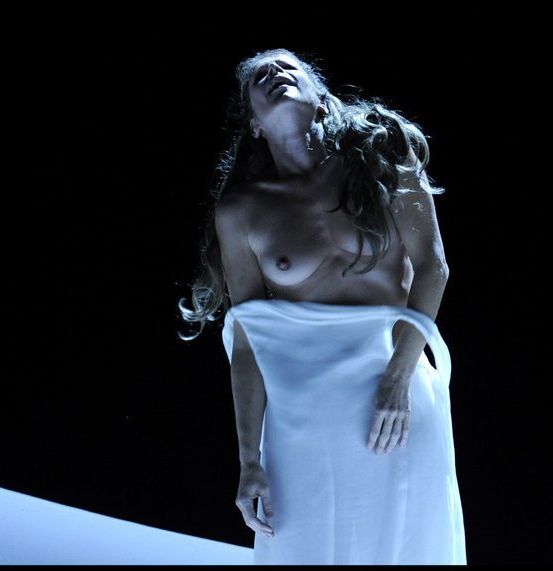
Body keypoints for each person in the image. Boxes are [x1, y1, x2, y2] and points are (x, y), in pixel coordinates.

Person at [178, 49, 467, 565]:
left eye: (289, 67)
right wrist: (249, 460)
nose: (276, 73)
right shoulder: (242, 210)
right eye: (261, 76)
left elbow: (433, 268)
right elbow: (248, 342)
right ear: (254, 125)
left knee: (412, 546)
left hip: (397, 396)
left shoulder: (383, 158)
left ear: (322, 99)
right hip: (302, 416)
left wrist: (398, 380)